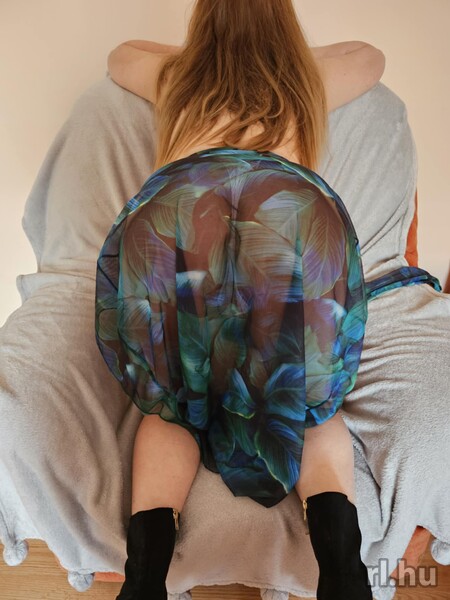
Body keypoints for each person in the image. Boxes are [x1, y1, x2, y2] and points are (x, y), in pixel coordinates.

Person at [94, 2, 414, 599]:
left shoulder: (178, 79)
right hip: (284, 220)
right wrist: (280, 55)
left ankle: (143, 582)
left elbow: (120, 56)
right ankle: (343, 574)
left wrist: (207, 54)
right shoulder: (302, 81)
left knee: (172, 408)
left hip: (182, 218)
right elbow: (371, 57)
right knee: (308, 403)